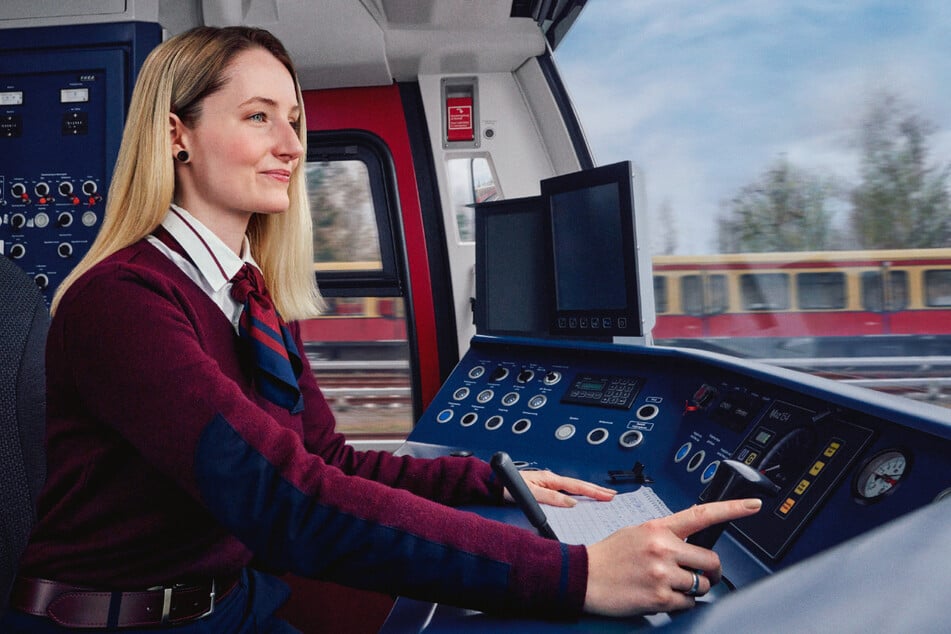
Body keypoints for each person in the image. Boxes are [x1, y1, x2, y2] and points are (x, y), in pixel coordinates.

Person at [2, 26, 760, 632]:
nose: (292, 147)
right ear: (178, 135)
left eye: (294, 120)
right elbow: (285, 499)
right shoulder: (123, 302)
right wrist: (576, 575)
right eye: (257, 116)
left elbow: (324, 458)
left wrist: (494, 478)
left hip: (235, 604)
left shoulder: (247, 294)